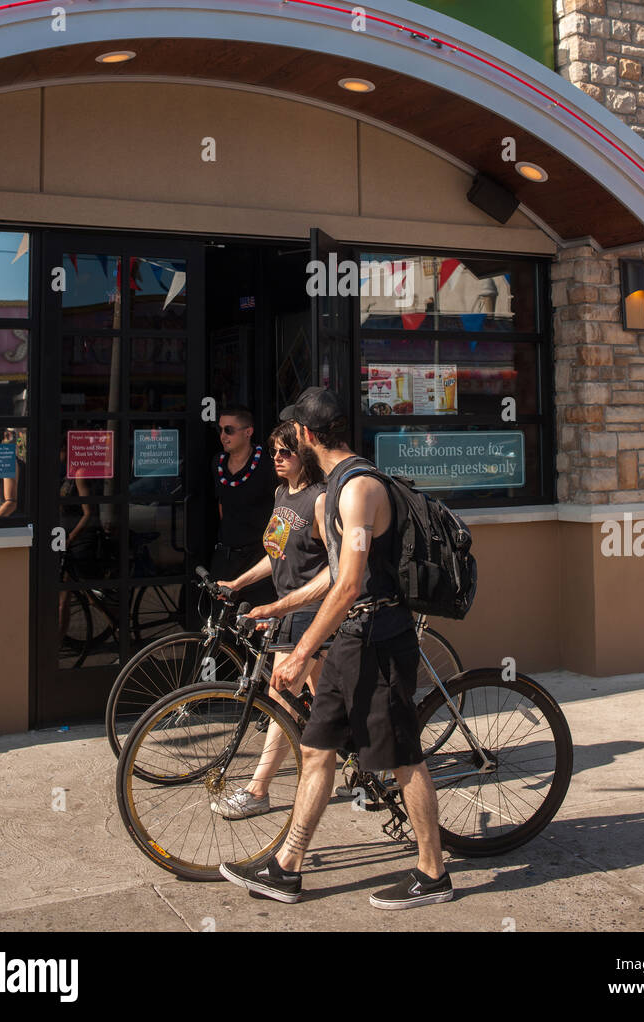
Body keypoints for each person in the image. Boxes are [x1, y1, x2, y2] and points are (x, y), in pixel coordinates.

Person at [219, 386, 453, 910]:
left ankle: (434, 874)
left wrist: (301, 650)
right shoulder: (336, 485)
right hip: (351, 636)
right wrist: (278, 607)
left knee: (403, 757)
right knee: (316, 748)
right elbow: (334, 577)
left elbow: (347, 585)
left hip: (379, 638)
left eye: (292, 435)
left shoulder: (357, 488)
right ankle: (287, 868)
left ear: (306, 434)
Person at [216, 421, 331, 819]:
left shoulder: (320, 499)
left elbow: (337, 566)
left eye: (286, 451)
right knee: (328, 698)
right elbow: (276, 553)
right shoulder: (283, 494)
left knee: (280, 697)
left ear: (305, 455)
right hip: (287, 607)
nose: (278, 458)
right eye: (274, 451)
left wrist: (291, 605)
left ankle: (257, 790)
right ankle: (371, 759)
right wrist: (238, 582)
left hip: (311, 611)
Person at [211, 404, 277, 609]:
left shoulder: (268, 464)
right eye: (220, 429)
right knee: (219, 616)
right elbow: (221, 504)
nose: (223, 436)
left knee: (256, 618)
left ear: (248, 432)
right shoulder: (218, 463)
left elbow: (281, 509)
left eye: (229, 430)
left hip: (257, 557)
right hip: (226, 556)